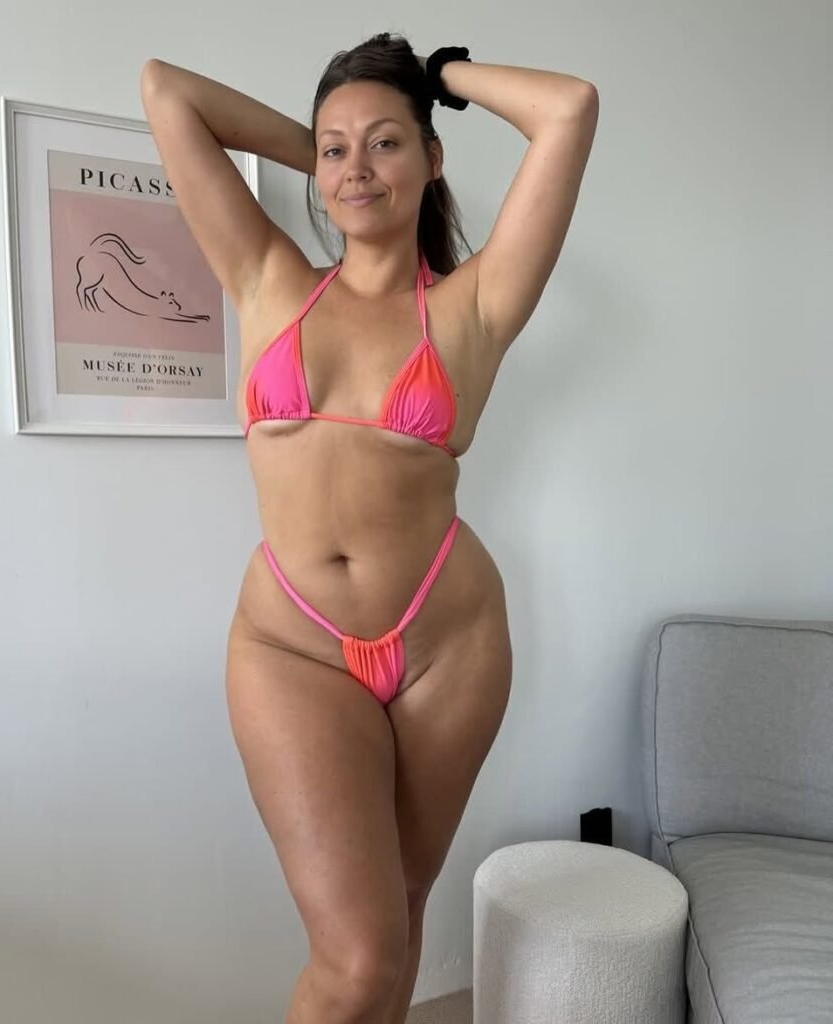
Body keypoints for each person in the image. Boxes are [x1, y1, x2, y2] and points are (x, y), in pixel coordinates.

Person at [141, 32, 597, 1023]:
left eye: (385, 143)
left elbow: (567, 108)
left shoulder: (475, 306)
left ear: (431, 159)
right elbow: (167, 92)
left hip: (447, 642)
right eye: (336, 148)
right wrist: (330, 150)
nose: (356, 167)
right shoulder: (267, 277)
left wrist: (440, 80)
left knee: (398, 917)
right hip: (290, 643)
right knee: (356, 959)